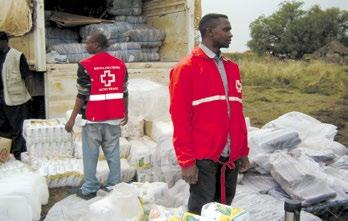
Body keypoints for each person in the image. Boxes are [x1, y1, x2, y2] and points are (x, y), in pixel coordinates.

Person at [169, 13, 250, 215]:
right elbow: (179, 118)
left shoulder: (232, 67)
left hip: (230, 153)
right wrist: (186, 161)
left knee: (224, 207)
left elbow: (237, 113)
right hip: (204, 155)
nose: (231, 34)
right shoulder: (186, 68)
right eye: (226, 29)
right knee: (201, 208)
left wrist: (242, 150)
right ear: (209, 32)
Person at [65, 32, 128, 200]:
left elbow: (82, 94)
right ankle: (114, 185)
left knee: (90, 154)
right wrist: (125, 113)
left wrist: (71, 119)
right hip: (114, 117)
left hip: (93, 117)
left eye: (89, 42)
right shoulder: (120, 64)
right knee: (113, 152)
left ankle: (90, 187)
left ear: (97, 45)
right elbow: (124, 92)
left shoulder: (86, 65)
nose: (85, 45)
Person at [0, 31, 32, 160]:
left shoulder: (17, 56)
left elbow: (27, 77)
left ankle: (19, 155)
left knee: (17, 129)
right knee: (3, 128)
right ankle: (5, 154)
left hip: (16, 99)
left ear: (4, 42)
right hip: (1, 98)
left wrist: (30, 93)